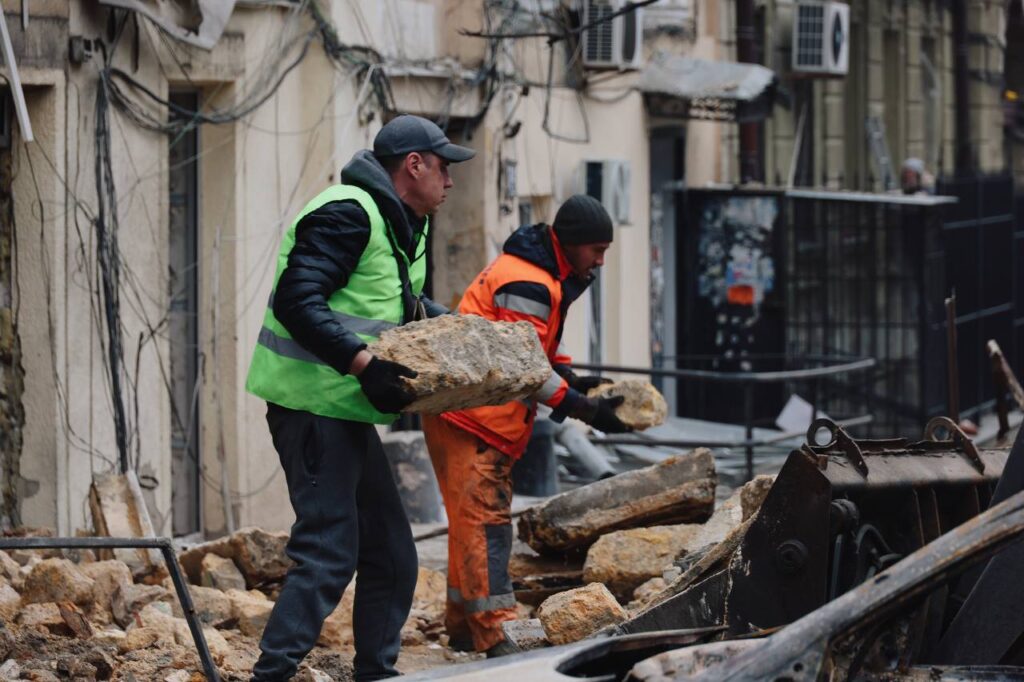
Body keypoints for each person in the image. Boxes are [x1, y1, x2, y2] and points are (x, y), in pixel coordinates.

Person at [245, 114, 475, 681]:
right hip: (311, 406)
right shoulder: (348, 212)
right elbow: (299, 302)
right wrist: (364, 365)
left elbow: (400, 307)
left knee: (394, 556)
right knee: (328, 552)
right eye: (443, 168)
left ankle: (377, 672)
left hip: (343, 409)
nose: (450, 181)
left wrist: (470, 331)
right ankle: (270, 675)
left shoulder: (402, 223)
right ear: (413, 165)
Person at [421, 194, 632, 657]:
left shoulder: (542, 275)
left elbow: (538, 351)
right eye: (596, 250)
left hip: (468, 415)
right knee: (486, 524)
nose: (599, 261)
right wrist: (583, 406)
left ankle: (463, 627)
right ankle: (495, 632)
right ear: (571, 244)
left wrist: (578, 380)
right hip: (474, 418)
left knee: (468, 523)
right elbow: (526, 369)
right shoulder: (532, 282)